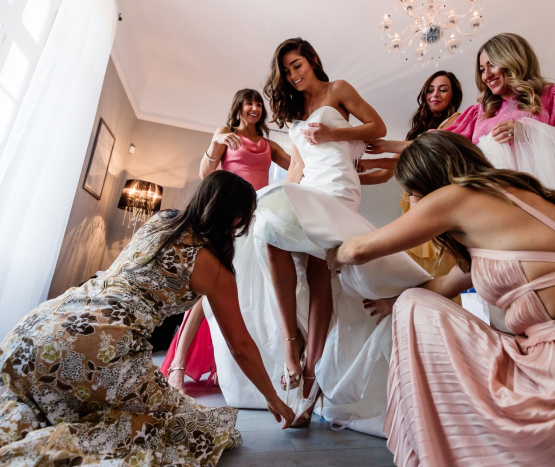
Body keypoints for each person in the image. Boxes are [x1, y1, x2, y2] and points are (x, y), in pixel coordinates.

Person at [326, 131, 555, 466]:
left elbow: (360, 250)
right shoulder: (519, 201)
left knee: (413, 306)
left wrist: (334, 253)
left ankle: (448, 440)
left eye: (411, 190)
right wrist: (390, 303)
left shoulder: (453, 198)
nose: (412, 200)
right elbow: (445, 286)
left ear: (430, 181)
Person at [203, 38, 429, 432]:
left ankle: (310, 376)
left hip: (339, 187)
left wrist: (332, 135)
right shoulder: (294, 115)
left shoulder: (337, 89)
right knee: (271, 230)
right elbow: (297, 170)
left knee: (319, 272)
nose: (294, 75)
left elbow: (376, 126)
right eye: (288, 71)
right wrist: (283, 194)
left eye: (297, 65)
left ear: (312, 60)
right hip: (310, 184)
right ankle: (293, 343)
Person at [0, 171, 295, 465]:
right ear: (236, 218)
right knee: (199, 430)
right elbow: (240, 345)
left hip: (38, 325)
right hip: (102, 344)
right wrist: (273, 397)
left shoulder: (163, 219)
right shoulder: (216, 269)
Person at [363, 33, 555, 267]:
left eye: (492, 64)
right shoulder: (480, 112)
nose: (487, 74)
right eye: (482, 69)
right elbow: (443, 144)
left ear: (514, 58)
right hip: (495, 209)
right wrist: (389, 145)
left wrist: (530, 131)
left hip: (546, 204)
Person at [161, 89, 290, 391]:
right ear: (239, 107)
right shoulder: (225, 134)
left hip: (257, 218)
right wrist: (215, 144)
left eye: (259, 103)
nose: (255, 107)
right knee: (210, 288)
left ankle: (226, 364)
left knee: (247, 292)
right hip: (227, 217)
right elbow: (206, 173)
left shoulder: (269, 144)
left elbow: (298, 166)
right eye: (250, 102)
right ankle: (179, 364)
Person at [360, 72, 463, 298]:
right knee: (411, 276)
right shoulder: (416, 133)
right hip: (411, 206)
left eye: (443, 89)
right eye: (430, 89)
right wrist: (355, 172)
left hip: (436, 204)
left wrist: (386, 145)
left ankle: (444, 327)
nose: (434, 94)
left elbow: (429, 145)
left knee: (439, 272)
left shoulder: (457, 120)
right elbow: (387, 174)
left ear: (453, 97)